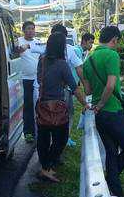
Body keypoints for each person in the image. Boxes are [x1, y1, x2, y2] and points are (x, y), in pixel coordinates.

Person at [82, 26, 124, 197]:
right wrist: (101, 104)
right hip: (112, 111)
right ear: (114, 39)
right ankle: (109, 181)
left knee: (112, 152)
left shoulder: (89, 59)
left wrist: (96, 106)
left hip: (100, 117)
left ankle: (116, 191)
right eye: (117, 42)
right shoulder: (112, 55)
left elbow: (88, 88)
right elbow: (111, 85)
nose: (116, 45)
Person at [35, 32, 88, 182]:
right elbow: (74, 87)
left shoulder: (42, 60)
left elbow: (40, 78)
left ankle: (45, 167)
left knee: (43, 138)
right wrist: (85, 103)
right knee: (61, 139)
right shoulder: (62, 64)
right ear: (61, 47)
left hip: (42, 104)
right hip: (57, 107)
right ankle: (47, 168)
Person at [16, 20, 43, 142]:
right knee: (27, 106)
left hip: (37, 80)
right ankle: (28, 132)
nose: (31, 31)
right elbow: (17, 51)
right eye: (28, 28)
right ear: (23, 30)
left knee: (38, 105)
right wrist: (25, 47)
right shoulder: (19, 41)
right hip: (24, 79)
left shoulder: (38, 43)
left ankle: (39, 131)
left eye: (32, 28)